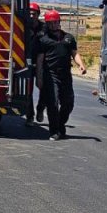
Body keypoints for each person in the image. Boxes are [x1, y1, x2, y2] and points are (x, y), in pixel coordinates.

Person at [36, 10, 86, 141]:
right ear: (47, 24)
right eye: (50, 23)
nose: (53, 25)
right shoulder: (43, 39)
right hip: (50, 74)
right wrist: (39, 78)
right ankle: (54, 131)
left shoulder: (68, 38)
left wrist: (81, 65)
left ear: (59, 22)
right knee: (53, 103)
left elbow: (74, 53)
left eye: (55, 22)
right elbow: (40, 59)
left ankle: (60, 124)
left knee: (68, 103)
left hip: (66, 75)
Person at [26, 2, 46, 125]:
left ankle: (40, 109)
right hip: (26, 63)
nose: (31, 15)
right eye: (29, 13)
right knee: (28, 92)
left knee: (43, 89)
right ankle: (30, 116)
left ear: (38, 14)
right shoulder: (22, 27)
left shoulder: (45, 28)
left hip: (42, 64)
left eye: (34, 13)